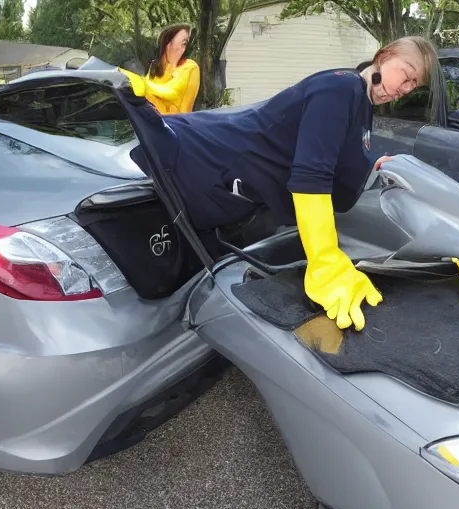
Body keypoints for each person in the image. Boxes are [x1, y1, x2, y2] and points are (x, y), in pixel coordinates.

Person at [120, 36, 440, 332]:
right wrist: (326, 263)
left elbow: (336, 157)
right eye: (407, 73)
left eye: (415, 84)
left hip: (239, 192)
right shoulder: (340, 89)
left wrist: (372, 166)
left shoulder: (360, 103)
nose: (407, 87)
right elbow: (311, 177)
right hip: (202, 165)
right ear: (384, 56)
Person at [128, 23, 201, 114]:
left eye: (184, 44)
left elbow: (173, 92)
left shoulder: (190, 66)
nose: (182, 49)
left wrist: (142, 84)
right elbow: (145, 96)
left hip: (177, 124)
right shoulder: (155, 66)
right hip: (151, 121)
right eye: (181, 43)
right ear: (167, 44)